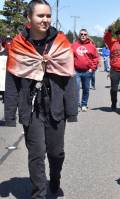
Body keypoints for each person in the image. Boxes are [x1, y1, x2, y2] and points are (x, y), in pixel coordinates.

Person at [4, 0, 78, 198]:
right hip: (32, 108)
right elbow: (12, 81)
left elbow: (70, 78)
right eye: (40, 15)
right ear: (29, 18)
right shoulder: (19, 46)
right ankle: (39, 193)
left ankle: (55, 178)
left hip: (56, 108)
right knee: (36, 155)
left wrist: (72, 110)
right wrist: (10, 114)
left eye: (48, 16)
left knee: (56, 153)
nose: (45, 20)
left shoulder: (61, 42)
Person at [72, 28, 98, 111]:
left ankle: (84, 104)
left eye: (85, 34)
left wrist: (92, 68)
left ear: (87, 36)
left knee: (86, 89)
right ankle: (76, 105)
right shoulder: (74, 45)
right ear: (79, 35)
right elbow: (70, 57)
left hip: (87, 72)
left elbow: (96, 58)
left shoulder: (91, 46)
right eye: (81, 34)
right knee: (76, 89)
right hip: (76, 71)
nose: (83, 35)